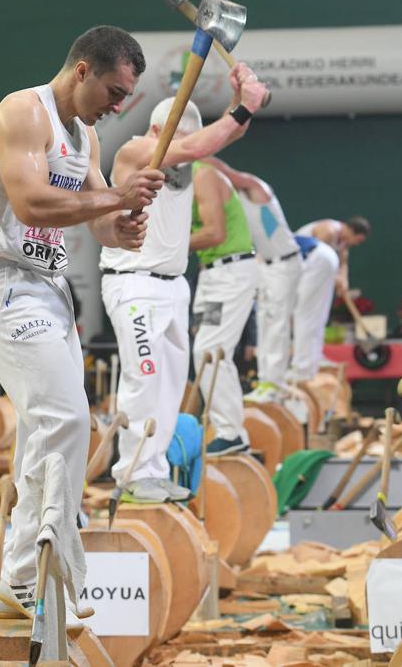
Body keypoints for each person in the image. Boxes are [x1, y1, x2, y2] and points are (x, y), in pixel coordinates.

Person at [0, 25, 165, 616]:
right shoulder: (23, 112)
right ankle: (29, 567)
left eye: (126, 96)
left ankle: (17, 580)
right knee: (66, 418)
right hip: (4, 283)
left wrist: (120, 229)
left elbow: (96, 215)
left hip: (48, 289)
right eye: (114, 90)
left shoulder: (86, 139)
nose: (119, 105)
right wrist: (116, 200)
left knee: (41, 431)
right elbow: (31, 203)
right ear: (82, 71)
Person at [99, 68, 268, 503]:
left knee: (172, 385)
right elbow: (197, 144)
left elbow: (217, 140)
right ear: (158, 130)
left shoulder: (190, 153)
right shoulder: (136, 149)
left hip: (173, 286)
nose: (184, 152)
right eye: (177, 141)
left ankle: (151, 471)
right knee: (145, 377)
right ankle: (132, 473)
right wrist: (243, 105)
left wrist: (238, 99)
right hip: (133, 285)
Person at [208, 159, 302, 404]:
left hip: (285, 262)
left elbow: (229, 173)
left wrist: (195, 153)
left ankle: (275, 384)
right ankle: (265, 381)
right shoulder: (235, 201)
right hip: (267, 265)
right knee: (264, 323)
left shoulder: (255, 187)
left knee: (276, 324)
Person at [190, 162, 259, 456]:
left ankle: (231, 432)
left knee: (210, 350)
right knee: (201, 347)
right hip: (210, 275)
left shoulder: (201, 173)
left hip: (229, 273)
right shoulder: (182, 177)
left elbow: (215, 233)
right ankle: (227, 428)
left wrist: (165, 246)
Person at [291, 216, 371, 381]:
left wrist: (344, 280)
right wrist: (335, 278)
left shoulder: (343, 242)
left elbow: (343, 263)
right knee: (306, 316)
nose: (357, 244)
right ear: (351, 231)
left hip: (314, 276)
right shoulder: (328, 230)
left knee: (320, 316)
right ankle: (301, 363)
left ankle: (316, 356)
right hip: (298, 273)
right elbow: (315, 257)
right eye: (359, 240)